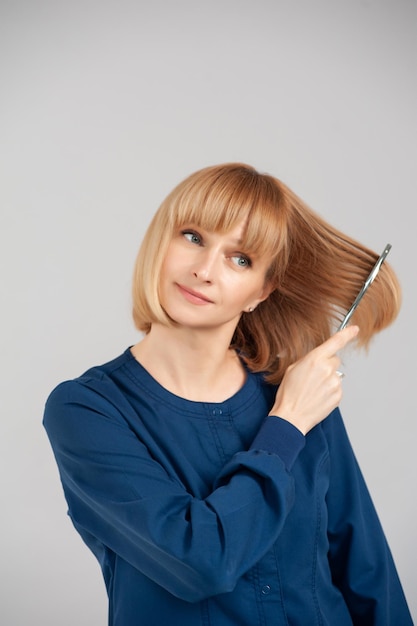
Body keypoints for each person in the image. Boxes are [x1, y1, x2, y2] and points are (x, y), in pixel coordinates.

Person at [43, 163, 413, 626]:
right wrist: (285, 427)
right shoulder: (87, 410)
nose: (204, 270)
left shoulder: (295, 389)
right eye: (193, 237)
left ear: (262, 291)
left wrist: (294, 410)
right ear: (160, 240)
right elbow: (200, 563)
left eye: (241, 259)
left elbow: (365, 568)